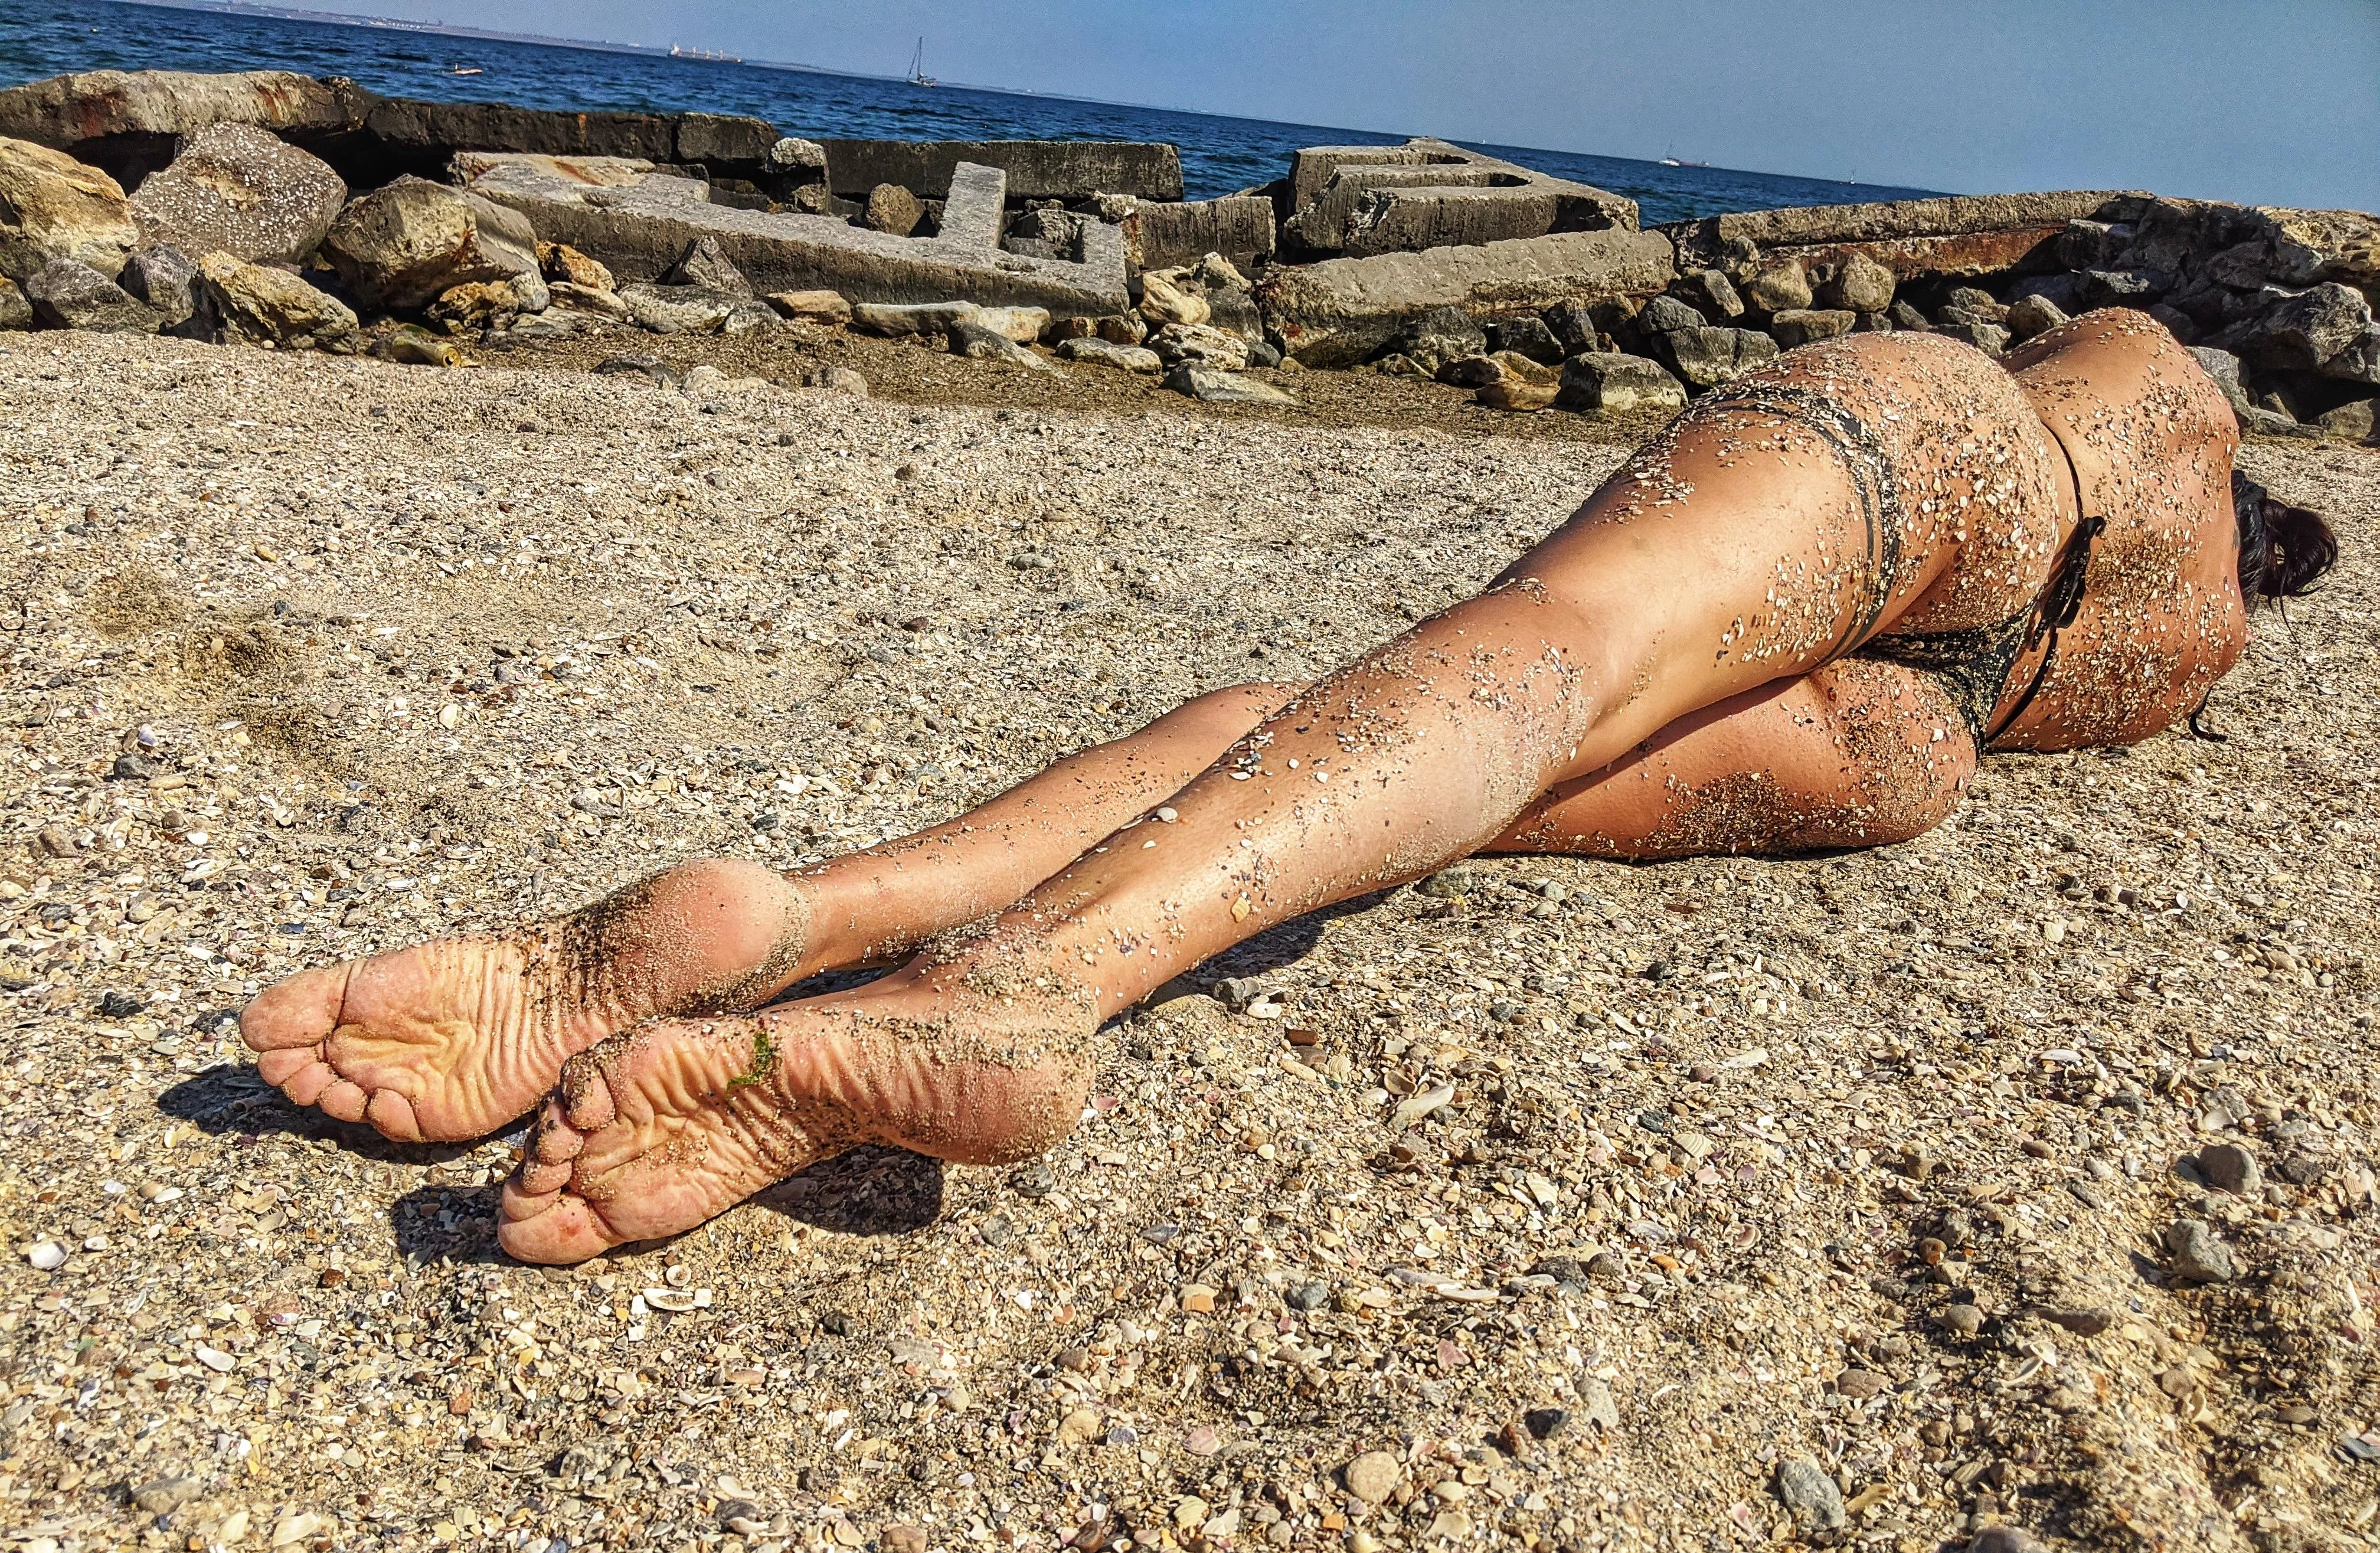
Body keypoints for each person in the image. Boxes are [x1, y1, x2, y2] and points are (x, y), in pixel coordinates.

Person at [239, 309, 2337, 1264]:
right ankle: (918, 974)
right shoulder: (2186, 540)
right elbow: (2156, 428)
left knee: (1453, 710)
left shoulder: (2159, 460)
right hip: (1947, 603)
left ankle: (829, 929)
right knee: (1479, 713)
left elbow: (2116, 396)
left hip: (1937, 592)